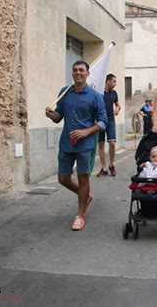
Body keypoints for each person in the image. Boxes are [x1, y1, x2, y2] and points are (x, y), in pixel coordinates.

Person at [45, 60, 107, 231]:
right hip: (66, 143)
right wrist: (52, 115)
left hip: (85, 144)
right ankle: (85, 195)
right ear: (72, 73)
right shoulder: (64, 93)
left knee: (83, 177)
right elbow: (59, 117)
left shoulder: (95, 97)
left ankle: (80, 215)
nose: (78, 73)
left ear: (88, 73)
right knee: (63, 178)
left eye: (81, 70)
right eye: (75, 70)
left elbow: (103, 123)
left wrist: (86, 132)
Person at [97, 73, 121, 177]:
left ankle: (111, 165)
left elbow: (118, 105)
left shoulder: (114, 93)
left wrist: (117, 109)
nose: (115, 83)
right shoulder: (99, 93)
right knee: (101, 144)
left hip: (110, 120)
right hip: (100, 121)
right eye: (114, 81)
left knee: (112, 143)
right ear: (108, 81)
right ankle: (104, 167)